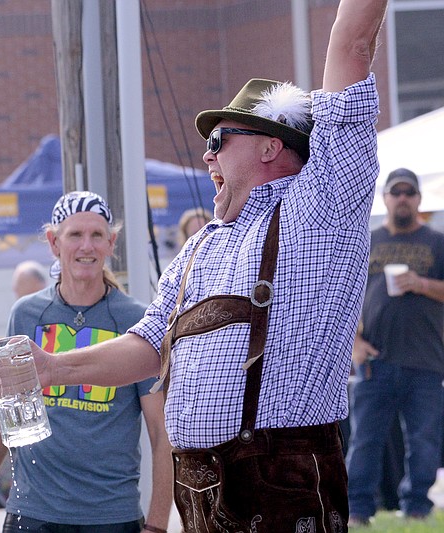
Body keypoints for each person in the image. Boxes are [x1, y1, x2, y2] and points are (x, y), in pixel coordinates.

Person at [27, 1, 387, 530]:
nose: (207, 157)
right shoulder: (202, 247)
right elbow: (150, 345)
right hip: (199, 491)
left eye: (219, 141)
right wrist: (53, 368)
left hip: (280, 484)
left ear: (270, 146)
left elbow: (351, 43)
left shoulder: (322, 205)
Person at [0, 191, 173, 533]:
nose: (87, 246)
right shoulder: (26, 313)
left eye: (97, 235)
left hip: (111, 516)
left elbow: (161, 432)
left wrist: (157, 524)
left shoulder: (138, 320)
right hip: (33, 512)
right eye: (75, 235)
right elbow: (2, 413)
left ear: (111, 243)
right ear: (55, 243)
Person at [346, 167, 444, 525]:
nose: (402, 198)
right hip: (375, 360)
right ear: (385, 198)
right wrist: (354, 342)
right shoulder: (367, 241)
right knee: (366, 440)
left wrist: (420, 283)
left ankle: (417, 506)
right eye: (396, 192)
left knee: (424, 441)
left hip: (426, 360)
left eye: (409, 192)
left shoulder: (437, 242)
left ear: (418, 199)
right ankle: (357, 510)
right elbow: (347, 298)